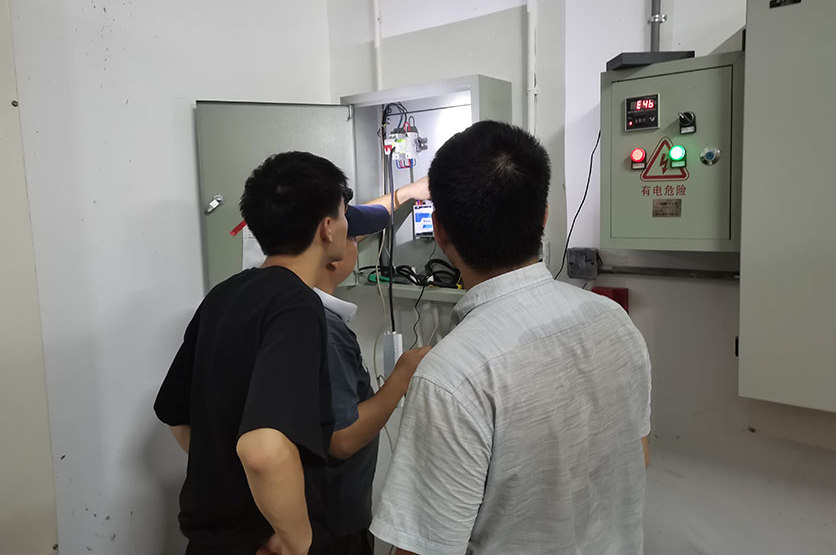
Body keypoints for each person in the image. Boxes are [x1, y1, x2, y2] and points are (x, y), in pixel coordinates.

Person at [370, 121, 653, 555]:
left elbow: (423, 548)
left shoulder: (452, 376)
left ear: (440, 230)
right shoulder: (613, 321)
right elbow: (639, 455)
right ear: (543, 216)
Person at [154, 151, 354, 555]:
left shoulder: (224, 294)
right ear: (327, 228)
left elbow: (176, 415)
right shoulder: (297, 306)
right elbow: (263, 451)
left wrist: (232, 486)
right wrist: (298, 541)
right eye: (344, 215)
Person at [313, 179, 432, 555]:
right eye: (352, 237)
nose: (358, 241)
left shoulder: (264, 298)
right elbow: (343, 439)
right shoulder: (324, 331)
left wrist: (406, 193)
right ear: (329, 243)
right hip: (330, 528)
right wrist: (402, 375)